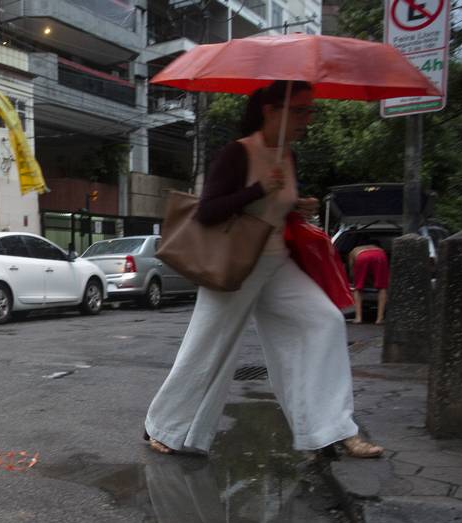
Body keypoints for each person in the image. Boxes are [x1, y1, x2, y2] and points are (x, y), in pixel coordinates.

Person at [142, 80, 383, 459]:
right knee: (207, 348)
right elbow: (208, 211)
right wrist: (257, 189)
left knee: (325, 322)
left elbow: (274, 210)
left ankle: (334, 430)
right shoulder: (237, 154)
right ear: (271, 111)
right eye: (300, 110)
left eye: (310, 110)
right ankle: (164, 428)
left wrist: (296, 205)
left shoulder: (289, 155)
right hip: (234, 265)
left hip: (276, 262)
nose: (308, 118)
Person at [348, 239, 389, 325]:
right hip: (379, 256)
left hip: (361, 257)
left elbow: (352, 273)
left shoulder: (354, 250)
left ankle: (358, 318)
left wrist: (357, 282)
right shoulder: (380, 249)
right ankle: (379, 319)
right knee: (382, 287)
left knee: (358, 288)